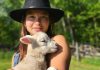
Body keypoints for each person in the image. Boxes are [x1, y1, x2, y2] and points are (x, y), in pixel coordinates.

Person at [9, 0, 71, 70]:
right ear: (24, 22)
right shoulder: (17, 56)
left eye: (43, 17)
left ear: (49, 21)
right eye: (32, 17)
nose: (37, 22)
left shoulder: (57, 41)